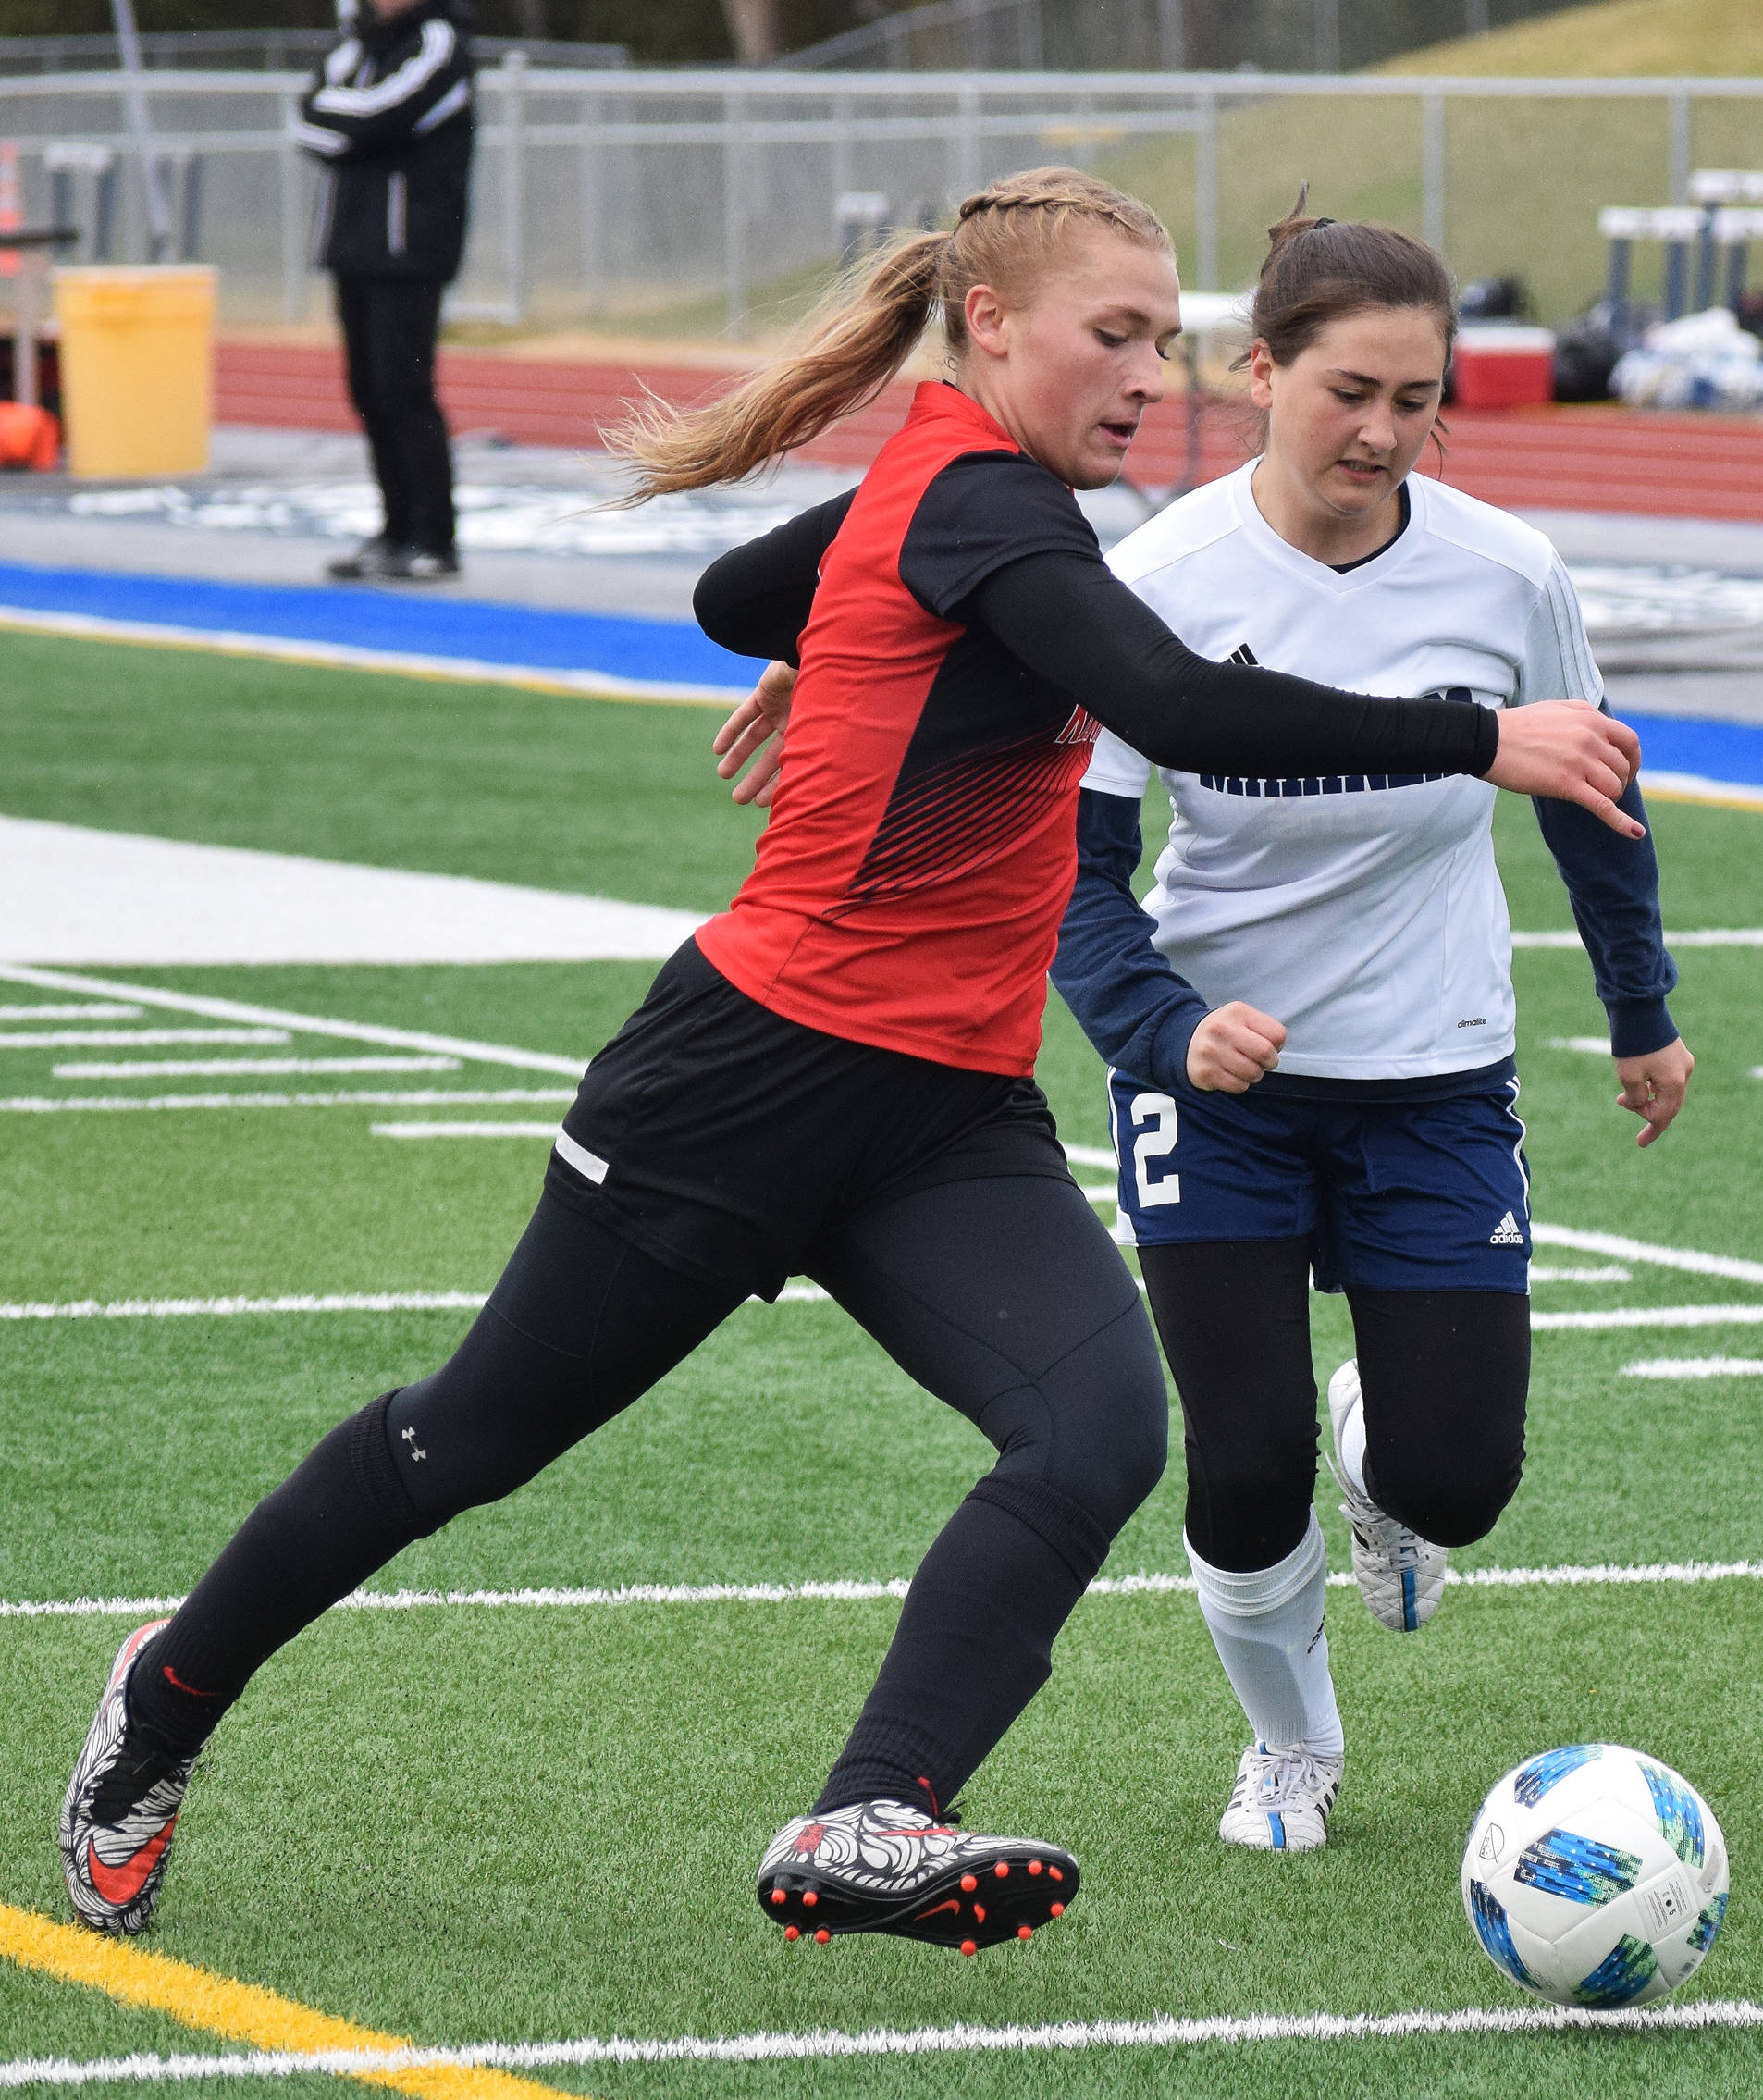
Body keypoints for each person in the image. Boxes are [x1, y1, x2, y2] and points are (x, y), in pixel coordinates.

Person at [60, 170, 1643, 1953]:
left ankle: (876, 1807)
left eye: (1163, 340)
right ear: (990, 326)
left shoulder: (977, 512)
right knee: (468, 1442)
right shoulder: (988, 502)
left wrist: (855, 637)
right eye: (1112, 335)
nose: (1150, 374)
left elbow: (746, 590)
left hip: (943, 1112)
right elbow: (1182, 707)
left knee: (1098, 1430)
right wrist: (1480, 730)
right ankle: (165, 1697)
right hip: (738, 1082)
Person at [1047, 201, 1691, 1855]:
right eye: (1350, 391)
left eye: (1420, 399)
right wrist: (1162, 1029)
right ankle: (1290, 1746)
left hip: (1437, 1079)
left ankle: (1386, 1461)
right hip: (1217, 1090)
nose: (1385, 432)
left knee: (1459, 1479)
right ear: (1259, 372)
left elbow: (1592, 789)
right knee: (1241, 1456)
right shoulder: (1159, 582)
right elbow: (1080, 872)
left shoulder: (1506, 570)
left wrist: (1643, 1012)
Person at [300, 0, 474, 584]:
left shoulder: (439, 41)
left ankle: (434, 538)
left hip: (410, 250)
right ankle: (393, 529)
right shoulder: (355, 43)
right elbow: (307, 121)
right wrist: (349, 124)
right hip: (351, 246)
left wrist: (347, 122)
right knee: (368, 390)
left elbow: (381, 115)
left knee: (406, 389)